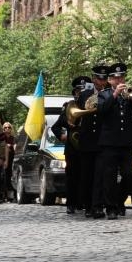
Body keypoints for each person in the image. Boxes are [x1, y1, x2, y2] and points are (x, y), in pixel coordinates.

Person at [95, 63, 132, 220]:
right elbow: (102, 111)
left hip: (127, 142)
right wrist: (115, 95)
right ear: (110, 80)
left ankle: (119, 201)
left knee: (129, 174)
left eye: (122, 77)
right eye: (116, 78)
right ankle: (111, 207)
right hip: (109, 143)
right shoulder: (104, 95)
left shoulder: (131, 94)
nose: (119, 80)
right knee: (109, 176)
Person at [51, 76, 92, 214]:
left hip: (88, 147)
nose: (80, 93)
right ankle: (71, 203)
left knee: (87, 176)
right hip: (73, 148)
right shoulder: (69, 106)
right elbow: (55, 127)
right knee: (72, 177)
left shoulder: (92, 104)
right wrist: (62, 135)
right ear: (74, 92)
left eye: (83, 90)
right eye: (78, 91)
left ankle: (85, 202)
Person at [77, 65, 108, 219]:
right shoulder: (85, 95)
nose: (100, 82)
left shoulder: (110, 94)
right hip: (87, 140)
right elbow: (77, 113)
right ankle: (88, 205)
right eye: (98, 78)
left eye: (103, 79)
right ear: (94, 78)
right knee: (87, 175)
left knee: (100, 175)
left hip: (103, 141)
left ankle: (98, 206)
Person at [1, 122, 16, 202]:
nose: (7, 129)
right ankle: (2, 195)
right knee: (2, 177)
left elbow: (15, 147)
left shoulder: (13, 138)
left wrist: (12, 146)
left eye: (9, 127)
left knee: (10, 176)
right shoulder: (1, 137)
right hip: (2, 158)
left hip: (12, 158)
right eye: (5, 127)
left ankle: (10, 196)